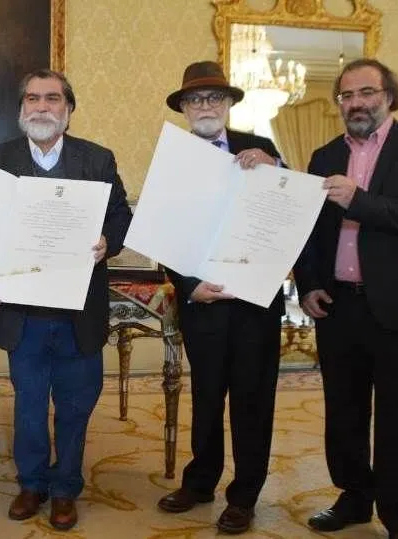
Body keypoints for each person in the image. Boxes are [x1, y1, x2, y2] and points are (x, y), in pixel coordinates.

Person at [293, 58, 398, 539]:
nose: (356, 103)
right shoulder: (323, 155)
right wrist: (310, 284)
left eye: (366, 92)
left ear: (389, 95)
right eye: (346, 96)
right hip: (338, 306)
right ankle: (355, 498)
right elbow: (312, 230)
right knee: (344, 412)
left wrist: (355, 199)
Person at [0, 68, 132, 531]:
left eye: (52, 99)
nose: (41, 107)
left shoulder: (98, 160)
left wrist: (109, 241)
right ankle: (32, 484)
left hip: (77, 312)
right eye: (32, 99)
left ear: (69, 109)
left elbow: (120, 215)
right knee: (27, 407)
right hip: (21, 314)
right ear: (21, 109)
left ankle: (65, 489)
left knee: (75, 405)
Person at [155, 61, 285, 535]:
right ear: (184, 109)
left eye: (214, 98)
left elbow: (294, 207)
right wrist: (189, 287)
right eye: (195, 100)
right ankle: (200, 482)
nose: (205, 106)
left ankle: (244, 497)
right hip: (204, 302)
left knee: (252, 402)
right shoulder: (172, 160)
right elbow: (163, 233)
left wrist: (276, 171)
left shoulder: (263, 148)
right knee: (206, 399)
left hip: (255, 304)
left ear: (229, 104)